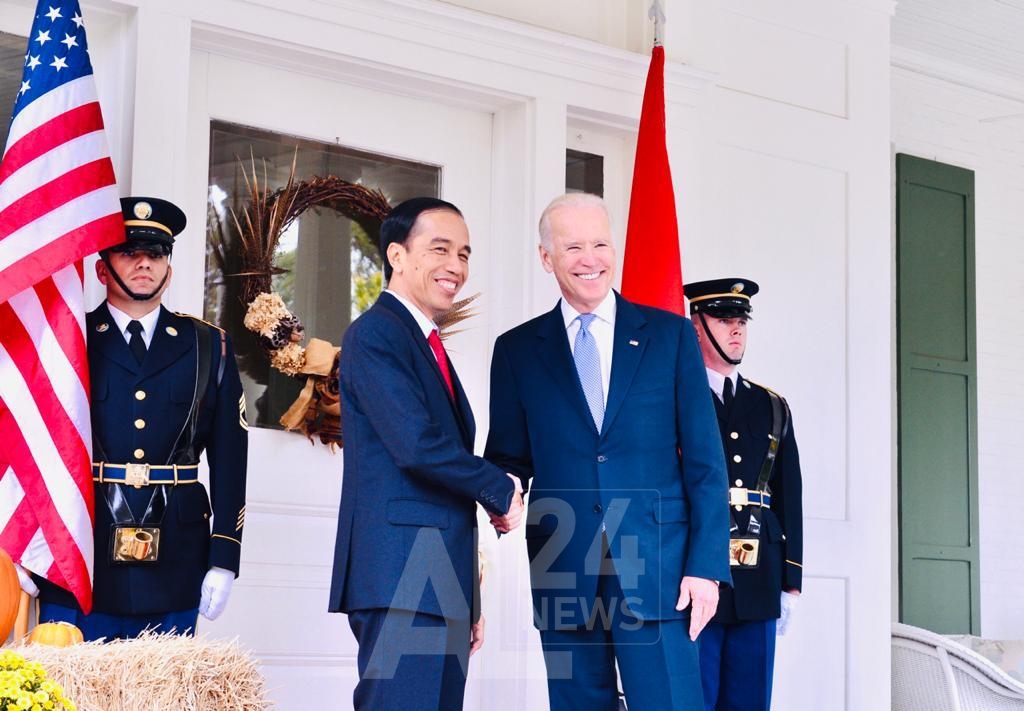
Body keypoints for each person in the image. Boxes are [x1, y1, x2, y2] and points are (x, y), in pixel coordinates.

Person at [485, 193, 731, 710]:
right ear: (546, 257)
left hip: (660, 569)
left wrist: (707, 565)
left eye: (600, 244)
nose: (590, 259)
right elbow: (508, 457)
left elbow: (706, 463)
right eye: (573, 247)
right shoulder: (516, 350)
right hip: (563, 565)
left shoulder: (670, 337)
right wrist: (500, 494)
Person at [328, 197, 524, 710]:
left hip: (438, 583)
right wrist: (499, 487)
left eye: (464, 254)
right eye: (440, 249)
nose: (455, 266)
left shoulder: (423, 341)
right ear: (397, 255)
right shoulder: (376, 335)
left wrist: (466, 597)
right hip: (401, 579)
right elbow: (417, 446)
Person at [30, 196, 248, 641]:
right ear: (102, 269)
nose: (144, 263)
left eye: (156, 253)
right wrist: (29, 546)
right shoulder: (67, 341)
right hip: (80, 553)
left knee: (164, 686)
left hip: (177, 557)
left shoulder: (209, 346)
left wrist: (225, 556)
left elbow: (231, 460)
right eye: (129, 252)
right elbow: (35, 447)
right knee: (72, 684)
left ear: (169, 268)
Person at [685, 278, 803, 711]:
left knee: (751, 702)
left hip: (759, 578)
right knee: (693, 700)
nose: (736, 328)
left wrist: (791, 582)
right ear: (696, 326)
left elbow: (789, 494)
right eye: (723, 319)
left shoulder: (771, 405)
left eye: (741, 320)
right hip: (696, 575)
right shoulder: (678, 398)